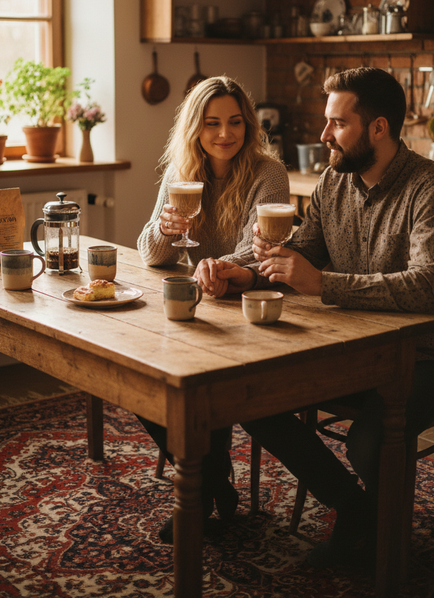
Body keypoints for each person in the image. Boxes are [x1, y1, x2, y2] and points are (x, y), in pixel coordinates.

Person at [207, 67, 434, 569]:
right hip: (352, 349)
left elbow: (431, 287)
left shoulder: (430, 187)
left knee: (369, 445)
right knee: (255, 398)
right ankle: (355, 508)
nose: (324, 135)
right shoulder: (333, 181)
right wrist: (247, 273)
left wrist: (323, 284)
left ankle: (380, 546)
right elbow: (301, 251)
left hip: (427, 357)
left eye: (337, 124)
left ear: (378, 128)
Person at [137, 75, 290, 542]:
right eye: (212, 124)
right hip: (201, 310)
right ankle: (213, 480)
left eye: (235, 122)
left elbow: (258, 250)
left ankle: (204, 488)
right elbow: (150, 253)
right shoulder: (181, 174)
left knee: (206, 388)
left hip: (251, 314)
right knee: (140, 374)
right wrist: (165, 229)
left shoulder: (269, 174)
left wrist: (215, 266)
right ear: (194, 129)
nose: (225, 134)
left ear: (248, 124)